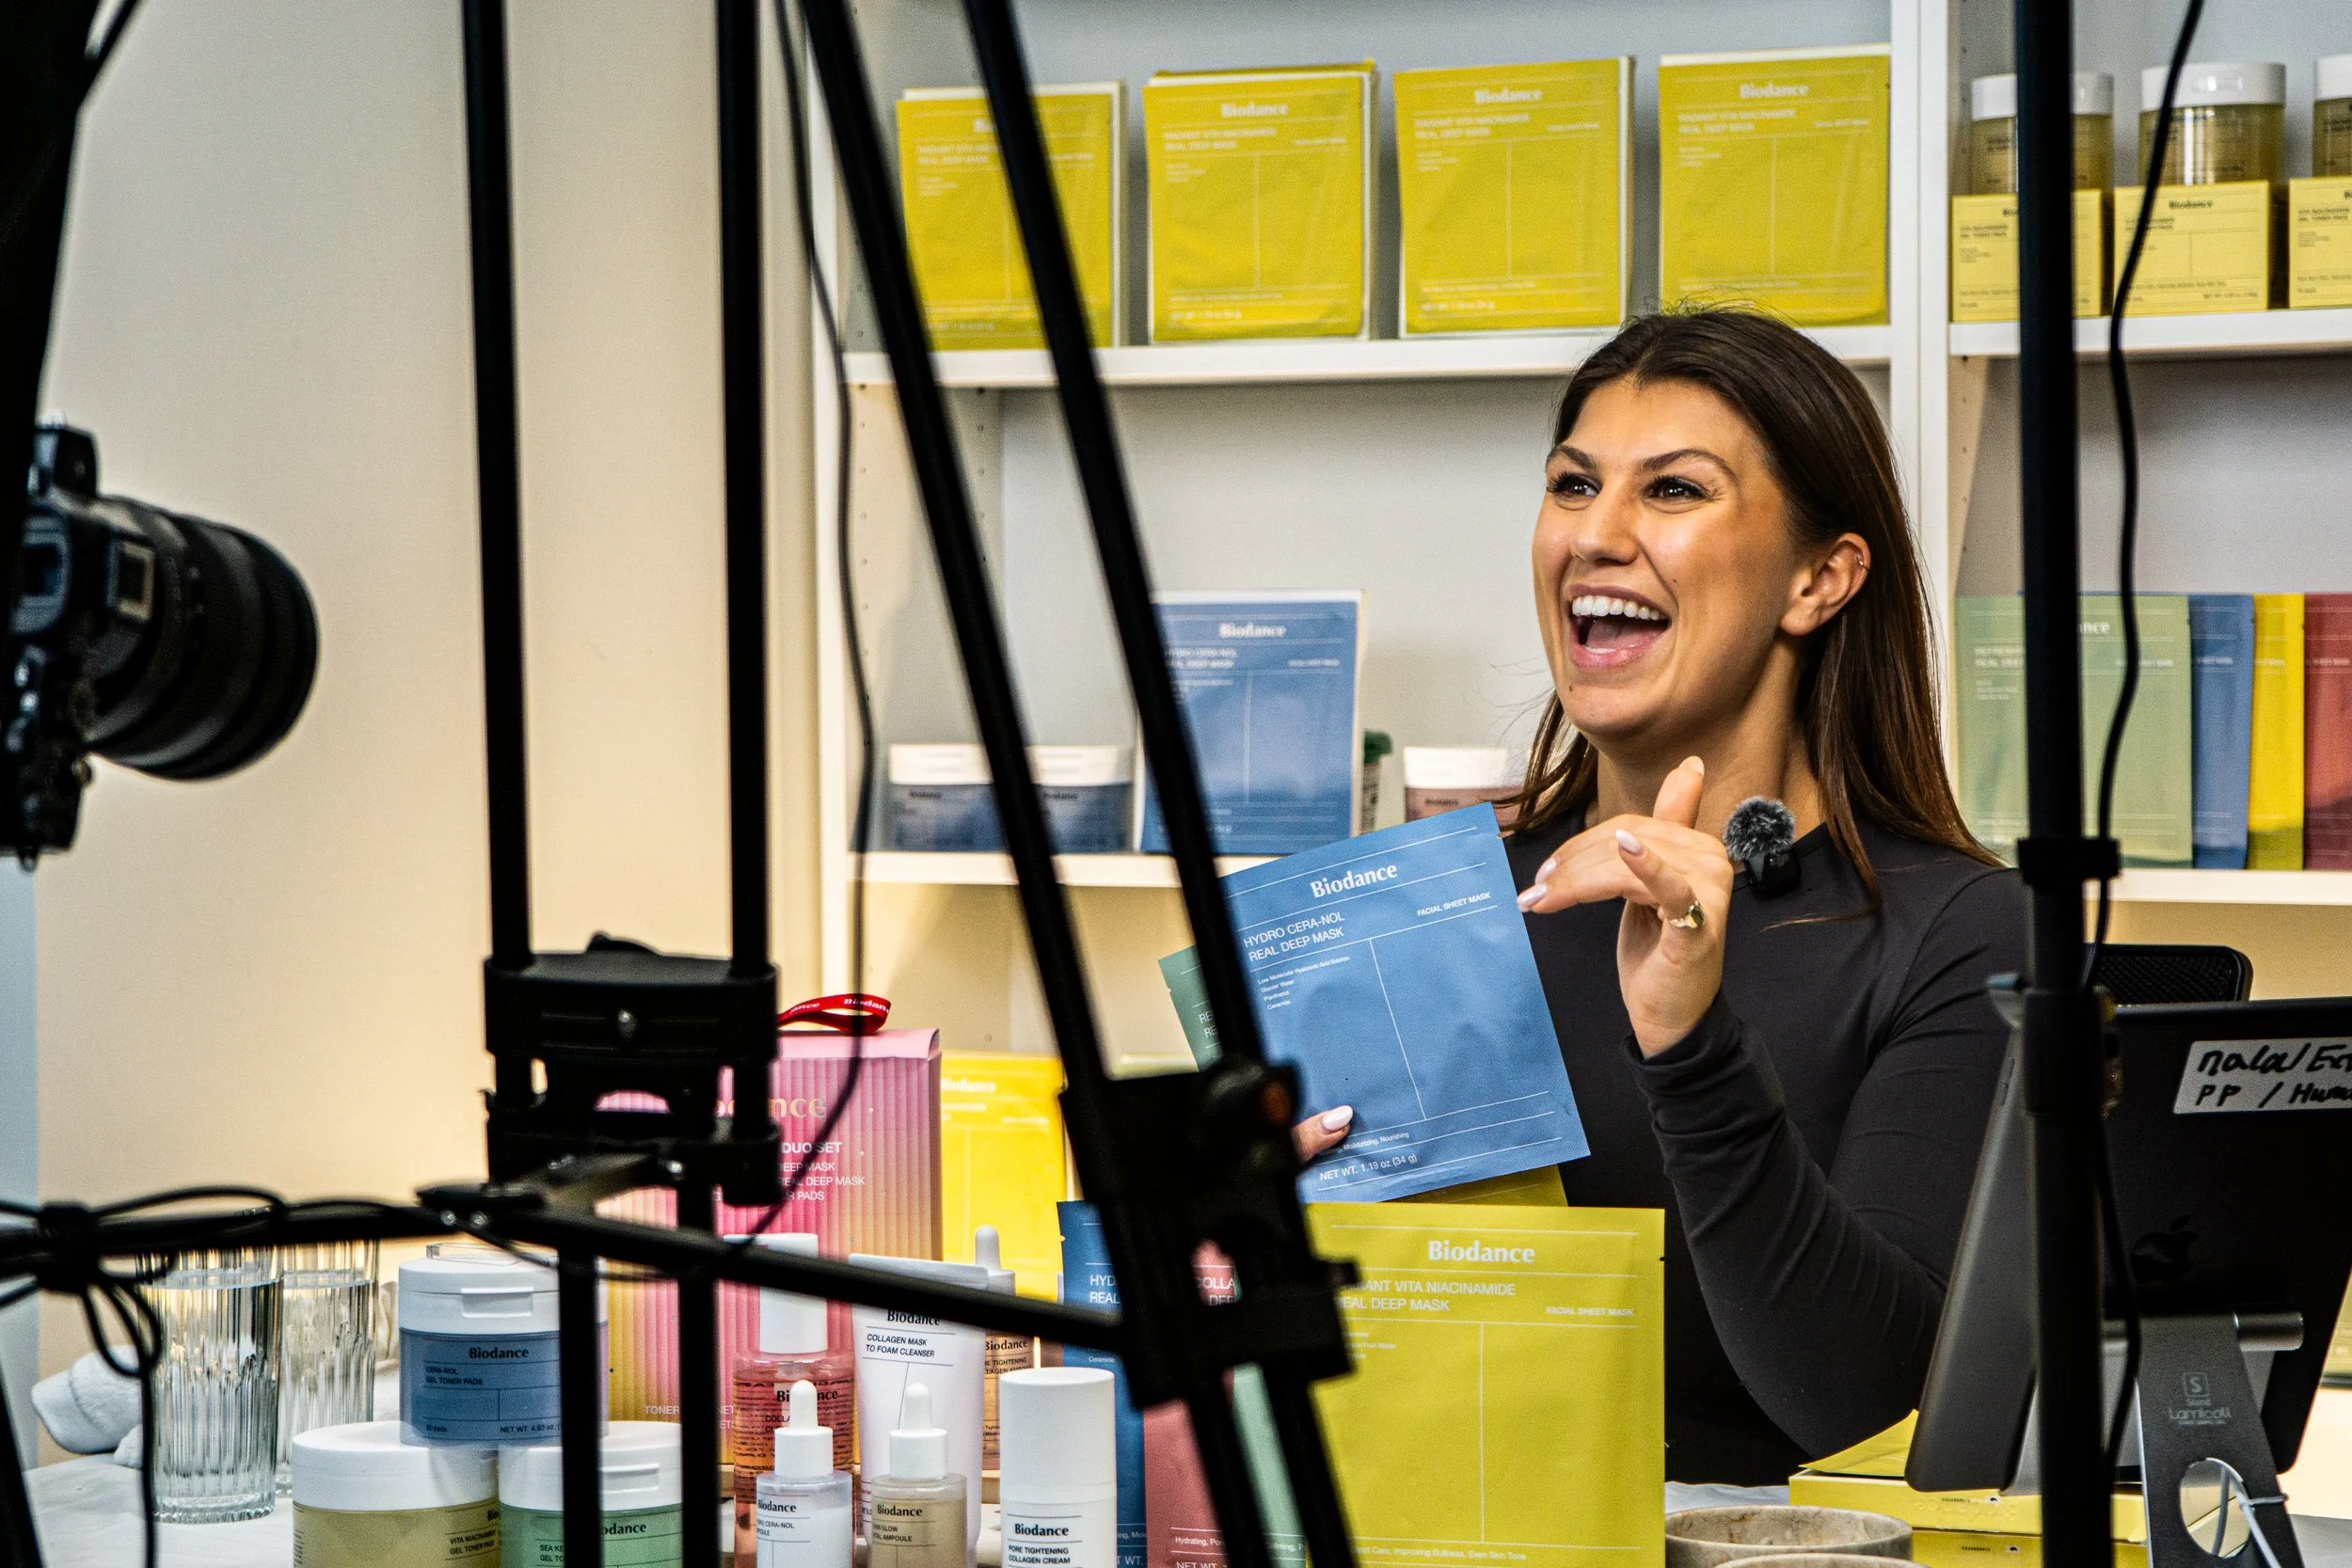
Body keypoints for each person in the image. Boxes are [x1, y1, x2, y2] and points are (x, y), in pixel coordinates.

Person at [1296, 309, 2025, 1485]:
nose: (1598, 534)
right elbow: (1374, 1382)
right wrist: (1268, 1245)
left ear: (1819, 578)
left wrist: (1690, 1047)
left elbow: (1866, 1399)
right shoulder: (1438, 906)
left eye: (1673, 490)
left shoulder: (1960, 931)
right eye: (1572, 485)